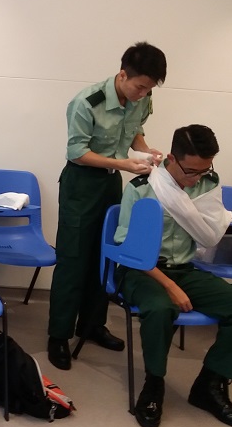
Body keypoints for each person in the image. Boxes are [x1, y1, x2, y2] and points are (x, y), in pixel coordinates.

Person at [115, 124, 232, 427]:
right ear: (171, 158)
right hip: (141, 270)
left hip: (183, 268)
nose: (196, 179)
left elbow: (210, 232)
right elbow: (128, 248)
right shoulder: (141, 188)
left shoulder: (206, 187)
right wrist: (169, 286)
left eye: (204, 170)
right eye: (191, 171)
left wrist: (177, 281)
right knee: (160, 307)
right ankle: (154, 385)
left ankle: (209, 385)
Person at [47, 41, 167, 371]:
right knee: (73, 258)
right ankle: (58, 335)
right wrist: (123, 163)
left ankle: (92, 325)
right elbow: (77, 152)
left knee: (105, 256)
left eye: (149, 89)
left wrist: (146, 152)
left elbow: (135, 132)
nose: (143, 94)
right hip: (81, 183)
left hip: (112, 182)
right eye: (140, 86)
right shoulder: (87, 102)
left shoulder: (143, 97)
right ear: (123, 74)